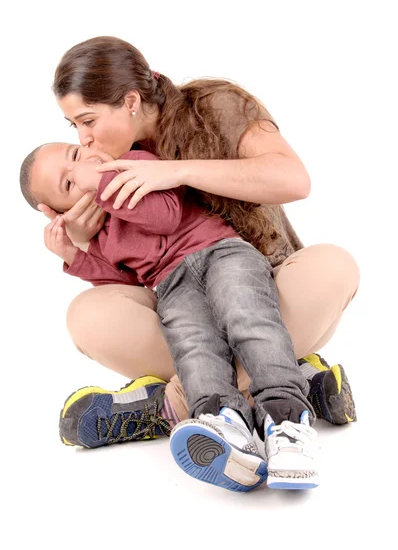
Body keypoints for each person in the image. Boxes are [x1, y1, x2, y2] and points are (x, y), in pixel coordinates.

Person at [29, 36, 359, 458]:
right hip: (184, 305)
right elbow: (129, 276)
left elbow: (294, 179)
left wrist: (176, 172)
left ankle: (173, 408)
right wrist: (78, 249)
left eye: (88, 121)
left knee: (332, 266)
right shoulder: (103, 178)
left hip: (266, 293)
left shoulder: (210, 107)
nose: (85, 139)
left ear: (130, 100)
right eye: (74, 126)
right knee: (89, 316)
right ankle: (290, 385)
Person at [21, 141, 319, 491]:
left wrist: (98, 184)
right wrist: (76, 251)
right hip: (171, 284)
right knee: (194, 346)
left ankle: (286, 420)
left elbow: (164, 215)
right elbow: (123, 283)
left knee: (249, 319)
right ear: (62, 211)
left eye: (74, 156)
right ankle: (223, 422)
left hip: (222, 252)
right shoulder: (100, 232)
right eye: (68, 185)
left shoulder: (133, 163)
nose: (81, 169)